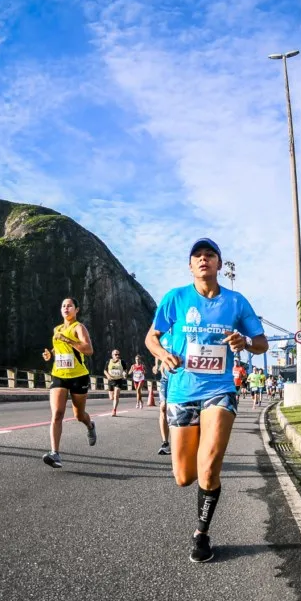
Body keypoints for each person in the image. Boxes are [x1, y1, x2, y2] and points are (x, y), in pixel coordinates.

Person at [146, 238, 268, 563]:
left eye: (210, 255)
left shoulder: (236, 302)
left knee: (210, 464)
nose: (204, 260)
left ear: (218, 263)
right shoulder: (175, 299)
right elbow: (151, 337)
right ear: (190, 265)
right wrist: (162, 354)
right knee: (184, 477)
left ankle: (201, 533)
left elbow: (261, 343)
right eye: (198, 256)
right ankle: (199, 487)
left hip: (220, 389)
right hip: (182, 391)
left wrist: (244, 341)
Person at [41, 297, 97, 468]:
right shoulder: (57, 329)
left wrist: (69, 340)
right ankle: (55, 453)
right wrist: (50, 355)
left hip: (78, 376)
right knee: (57, 414)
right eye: (63, 305)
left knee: (79, 415)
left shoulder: (78, 327)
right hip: (59, 375)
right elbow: (59, 348)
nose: (66, 308)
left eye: (70, 306)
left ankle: (89, 424)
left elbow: (88, 350)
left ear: (76, 310)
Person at [104, 349, 127, 416]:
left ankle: (114, 410)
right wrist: (108, 375)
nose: (117, 356)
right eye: (116, 354)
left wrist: (125, 374)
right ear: (112, 355)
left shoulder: (122, 362)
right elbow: (105, 370)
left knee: (116, 395)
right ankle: (114, 400)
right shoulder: (109, 361)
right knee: (111, 397)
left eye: (118, 354)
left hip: (119, 380)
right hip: (111, 380)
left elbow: (125, 370)